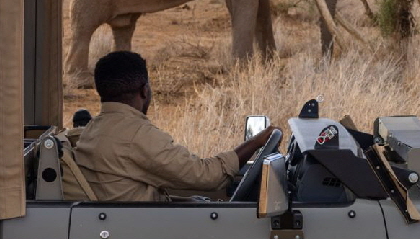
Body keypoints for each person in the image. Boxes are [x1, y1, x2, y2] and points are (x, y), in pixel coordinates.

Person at [73, 50, 281, 202]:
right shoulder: (135, 136)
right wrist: (257, 141)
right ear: (145, 91)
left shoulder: (94, 128)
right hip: (138, 233)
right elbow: (208, 177)